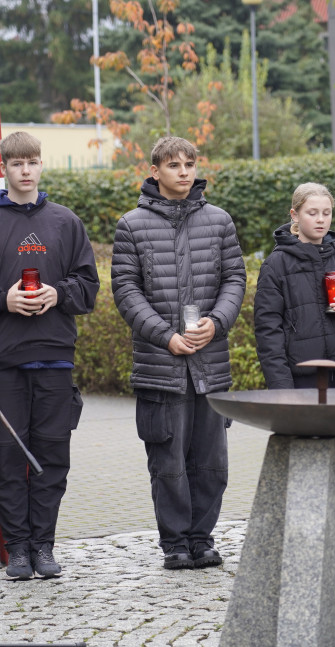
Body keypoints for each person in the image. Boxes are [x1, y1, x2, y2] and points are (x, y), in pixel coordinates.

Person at [0, 132, 99, 580]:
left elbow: (88, 287)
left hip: (54, 358)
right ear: (4, 168)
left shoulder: (66, 222)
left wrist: (59, 292)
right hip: (4, 362)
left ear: (40, 165)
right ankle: (18, 550)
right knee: (9, 456)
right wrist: (2, 300)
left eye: (32, 162)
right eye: (16, 164)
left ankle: (44, 546)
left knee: (52, 457)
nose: (25, 171)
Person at [112, 136, 246, 570]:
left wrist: (218, 322)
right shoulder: (130, 225)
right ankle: (174, 544)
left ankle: (202, 540)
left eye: (190, 164)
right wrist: (165, 337)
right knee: (168, 464)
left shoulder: (220, 221)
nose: (184, 172)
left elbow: (235, 281)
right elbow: (126, 291)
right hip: (160, 366)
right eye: (174, 165)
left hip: (211, 365)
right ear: (155, 171)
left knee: (211, 465)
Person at [253, 182, 335, 389]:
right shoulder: (276, 265)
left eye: (326, 213)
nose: (321, 220)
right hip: (302, 379)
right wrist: (281, 388)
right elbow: (268, 333)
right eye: (312, 213)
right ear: (295, 215)